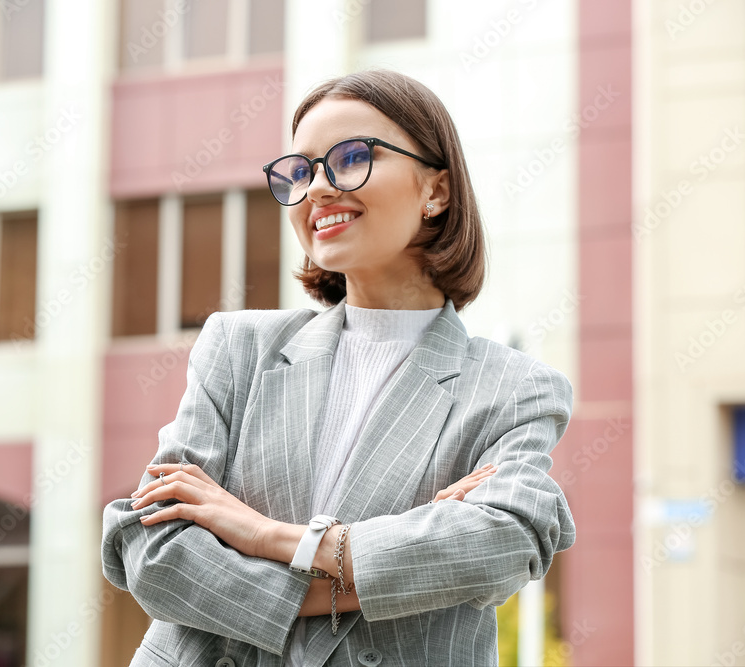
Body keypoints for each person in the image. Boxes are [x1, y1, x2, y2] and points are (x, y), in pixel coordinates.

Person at [101, 69, 575, 667]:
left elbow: (503, 541)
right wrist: (346, 581)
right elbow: (150, 545)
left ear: (437, 191)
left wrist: (265, 535)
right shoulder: (238, 347)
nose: (318, 189)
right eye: (299, 171)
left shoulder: (515, 389)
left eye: (351, 158)